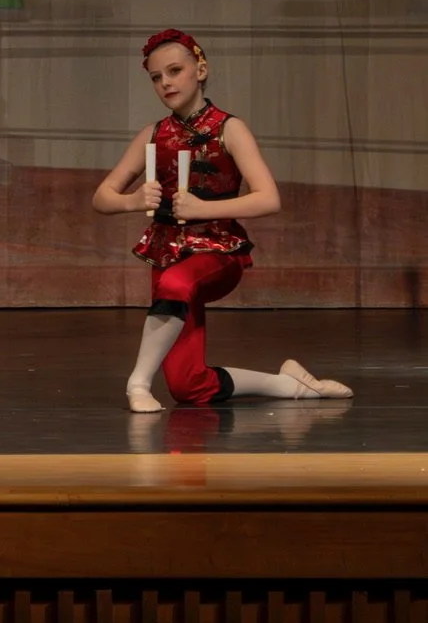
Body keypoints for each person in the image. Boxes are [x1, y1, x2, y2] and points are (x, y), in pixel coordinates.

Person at [90, 29, 352, 412]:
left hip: (218, 250)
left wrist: (202, 209)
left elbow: (269, 198)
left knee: (176, 283)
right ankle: (289, 385)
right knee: (187, 385)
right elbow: (102, 197)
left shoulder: (230, 128)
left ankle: (137, 383)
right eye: (156, 77)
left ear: (200, 70)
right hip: (167, 253)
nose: (166, 83)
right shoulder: (153, 134)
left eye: (175, 71)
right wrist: (132, 201)